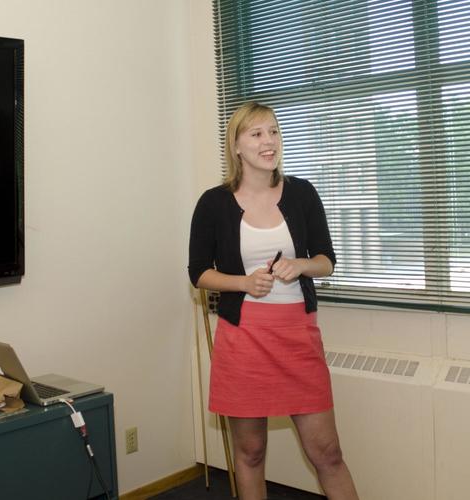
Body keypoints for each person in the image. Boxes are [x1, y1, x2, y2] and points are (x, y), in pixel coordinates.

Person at [188, 102, 359, 500]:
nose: (269, 142)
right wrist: (245, 283)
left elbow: (326, 261)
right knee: (250, 453)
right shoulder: (213, 203)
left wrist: (301, 264)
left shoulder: (302, 193)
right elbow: (198, 273)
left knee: (328, 453)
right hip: (244, 340)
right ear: (237, 146)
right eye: (257, 134)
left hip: (297, 335)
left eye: (274, 132)